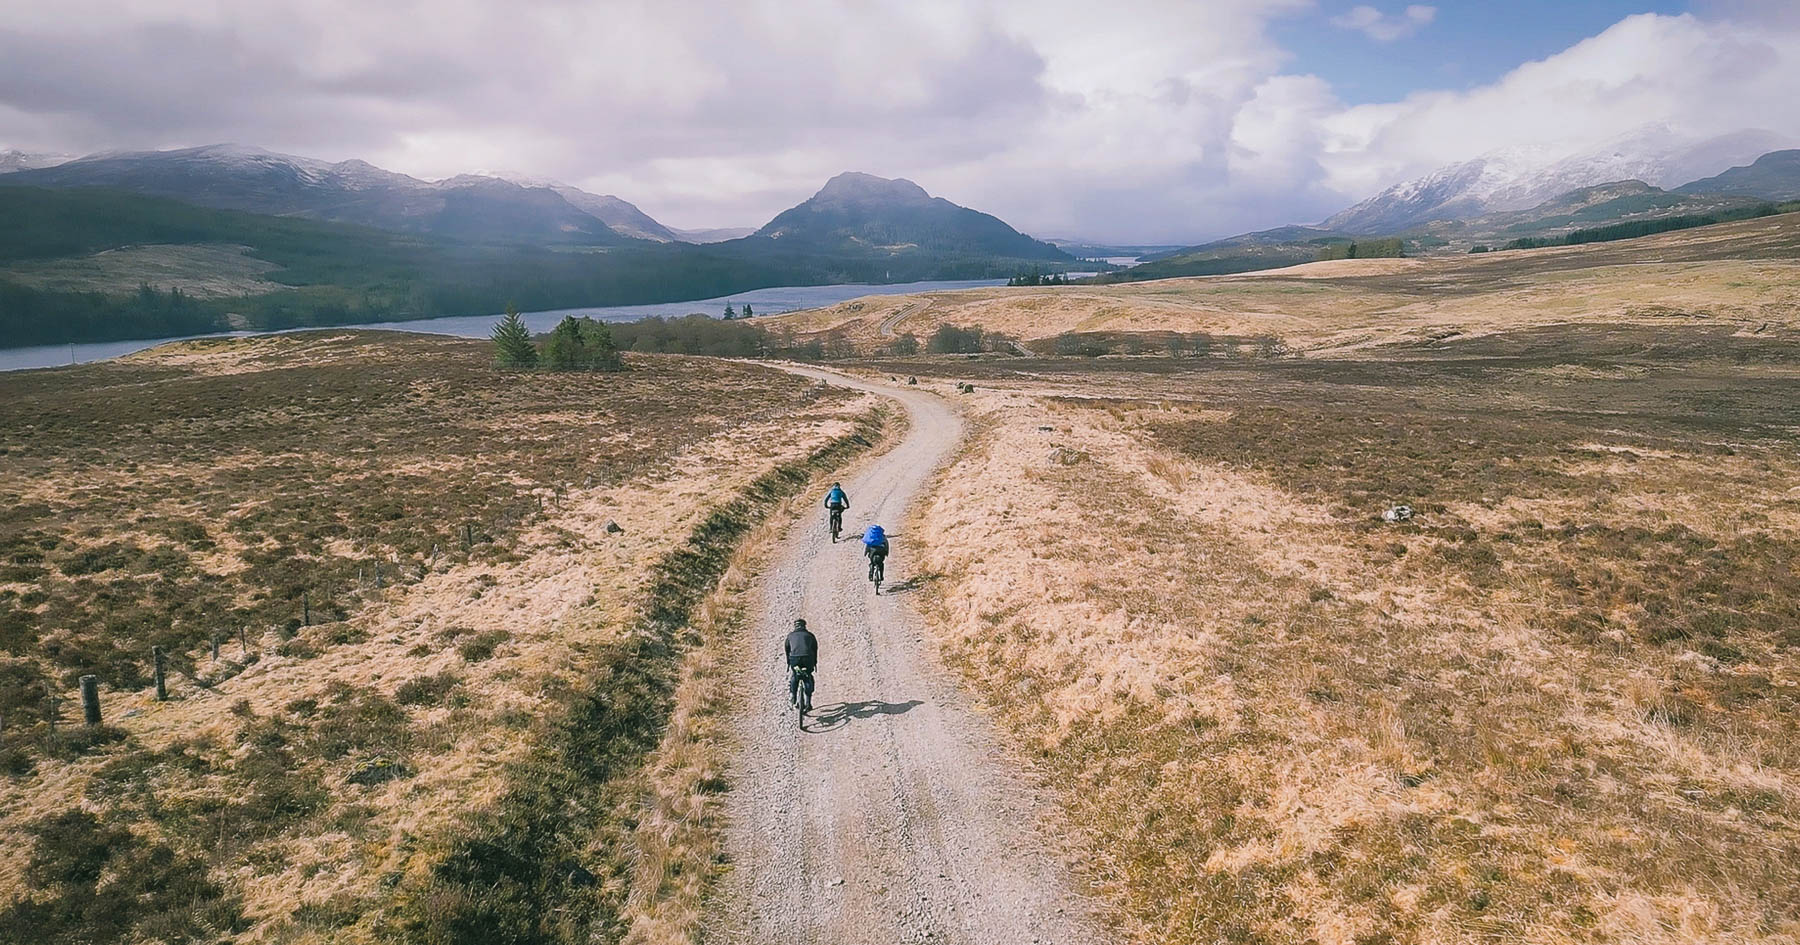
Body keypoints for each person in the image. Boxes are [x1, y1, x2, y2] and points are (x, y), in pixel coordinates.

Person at [785, 618, 818, 707]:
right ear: (804, 626)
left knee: (795, 675)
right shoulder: (810, 635)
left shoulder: (790, 636)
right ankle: (808, 703)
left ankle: (793, 695)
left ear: (795, 626)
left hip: (794, 659)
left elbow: (787, 650)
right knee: (807, 676)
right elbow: (815, 650)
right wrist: (814, 663)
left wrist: (789, 663)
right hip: (808, 659)